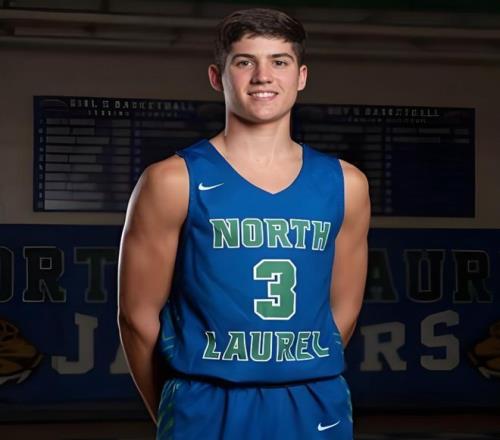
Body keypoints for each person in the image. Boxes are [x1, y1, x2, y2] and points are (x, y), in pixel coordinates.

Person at [117, 7, 370, 440]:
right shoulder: (173, 180)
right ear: (217, 77)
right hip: (205, 399)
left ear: (301, 76)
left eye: (279, 61)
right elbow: (136, 317)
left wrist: (291, 368)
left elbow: (343, 310)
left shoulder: (346, 184)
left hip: (313, 398)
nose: (263, 76)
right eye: (244, 62)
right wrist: (174, 410)